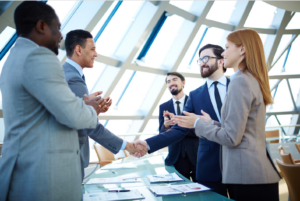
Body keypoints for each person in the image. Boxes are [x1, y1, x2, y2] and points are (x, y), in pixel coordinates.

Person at [0, 2, 145, 201]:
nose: (61, 36)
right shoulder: (39, 56)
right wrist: (90, 109)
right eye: (57, 28)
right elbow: (75, 116)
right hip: (43, 175)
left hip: (23, 169)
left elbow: (44, 114)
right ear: (41, 26)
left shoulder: (14, 57)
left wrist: (82, 105)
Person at [172, 29, 281, 201]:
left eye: (227, 47)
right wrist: (212, 123)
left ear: (242, 50)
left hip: (247, 175)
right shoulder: (250, 79)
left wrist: (197, 124)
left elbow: (232, 138)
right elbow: (241, 130)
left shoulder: (240, 81)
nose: (223, 52)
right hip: (254, 173)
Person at [134, 44, 230, 197]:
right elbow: (180, 129)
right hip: (209, 165)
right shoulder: (196, 95)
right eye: (199, 60)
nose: (202, 62)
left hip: (240, 163)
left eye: (206, 58)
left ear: (221, 61)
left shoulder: (238, 86)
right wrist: (148, 143)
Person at [63, 29, 146, 181]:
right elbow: (89, 126)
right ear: (78, 50)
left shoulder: (66, 73)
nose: (96, 54)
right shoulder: (73, 79)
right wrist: (128, 146)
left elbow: (72, 116)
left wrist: (94, 111)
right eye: (93, 49)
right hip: (69, 160)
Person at [159, 72, 198, 182]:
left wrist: (178, 124)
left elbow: (201, 127)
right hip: (176, 157)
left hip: (196, 154)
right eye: (168, 81)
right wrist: (166, 126)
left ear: (183, 82)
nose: (171, 83)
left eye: (174, 80)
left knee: (201, 193)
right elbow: (161, 133)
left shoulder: (195, 102)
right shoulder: (164, 106)